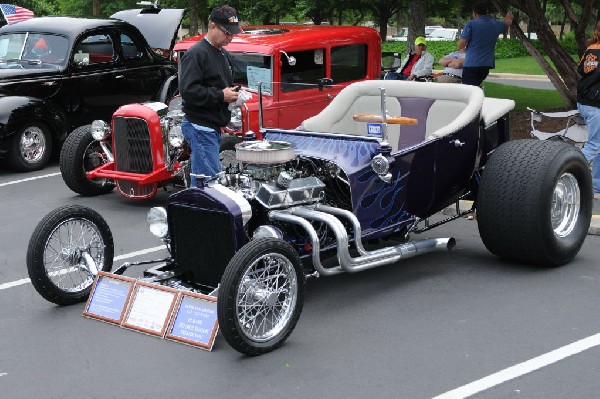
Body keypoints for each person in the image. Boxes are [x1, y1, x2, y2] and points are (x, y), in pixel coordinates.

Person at [179, 5, 242, 186]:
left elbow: (219, 85)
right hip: (200, 126)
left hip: (211, 125)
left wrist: (235, 94)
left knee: (206, 180)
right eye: (227, 32)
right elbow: (188, 91)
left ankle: (197, 210)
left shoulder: (221, 53)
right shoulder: (196, 54)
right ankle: (196, 212)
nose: (230, 37)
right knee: (208, 183)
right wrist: (221, 96)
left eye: (233, 33)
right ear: (212, 26)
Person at [458, 1, 513, 86]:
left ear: (475, 13)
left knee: (468, 90)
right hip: (486, 64)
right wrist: (508, 18)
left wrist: (462, 46)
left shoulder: (471, 24)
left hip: (471, 63)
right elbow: (507, 23)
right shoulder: (496, 23)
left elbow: (461, 44)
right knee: (476, 86)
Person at [576, 21, 600, 200]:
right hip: (595, 103)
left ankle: (596, 186)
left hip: (584, 101)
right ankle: (561, 173)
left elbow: (580, 69)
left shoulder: (591, 48)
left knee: (599, 145)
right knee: (594, 145)